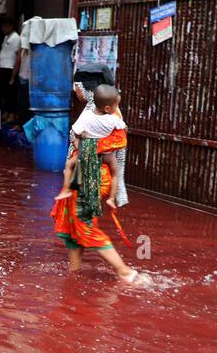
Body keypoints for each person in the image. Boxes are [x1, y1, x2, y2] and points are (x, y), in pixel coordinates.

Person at [51, 110, 147, 286]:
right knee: (73, 228)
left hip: (86, 181)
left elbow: (76, 141)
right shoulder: (108, 134)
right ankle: (74, 273)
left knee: (87, 229)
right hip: (85, 181)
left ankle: (124, 271)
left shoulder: (94, 122)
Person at [72, 75, 128, 207]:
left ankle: (69, 189)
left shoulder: (87, 113)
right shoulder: (114, 117)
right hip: (107, 155)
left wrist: (80, 148)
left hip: (87, 152)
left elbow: (76, 133)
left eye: (78, 87)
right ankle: (112, 198)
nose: (76, 90)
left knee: (70, 168)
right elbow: (123, 130)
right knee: (115, 174)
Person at [0, 19, 22, 119]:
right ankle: (6, 112)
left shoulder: (16, 38)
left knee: (11, 93)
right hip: (3, 68)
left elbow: (17, 57)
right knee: (5, 93)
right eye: (3, 27)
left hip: (10, 69)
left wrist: (13, 75)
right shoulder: (6, 37)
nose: (3, 29)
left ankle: (12, 114)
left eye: (5, 26)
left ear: (11, 26)